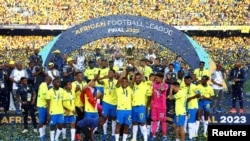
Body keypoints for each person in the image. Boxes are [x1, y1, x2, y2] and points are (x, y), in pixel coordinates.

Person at [97, 69, 117, 141]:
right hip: (106, 102)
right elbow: (99, 81)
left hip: (114, 103)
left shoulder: (117, 82)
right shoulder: (105, 81)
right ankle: (104, 134)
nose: (109, 73)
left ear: (114, 74)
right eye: (109, 72)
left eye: (111, 72)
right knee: (104, 118)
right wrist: (98, 75)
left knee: (114, 119)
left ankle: (113, 135)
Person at [130, 64, 150, 141]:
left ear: (141, 79)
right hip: (134, 106)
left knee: (142, 123)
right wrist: (134, 74)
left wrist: (136, 66)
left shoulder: (144, 84)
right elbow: (132, 82)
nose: (137, 79)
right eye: (136, 78)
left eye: (139, 78)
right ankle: (134, 138)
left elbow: (142, 74)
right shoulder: (134, 85)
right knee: (134, 122)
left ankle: (145, 139)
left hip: (141, 107)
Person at [114, 71, 133, 141]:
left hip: (128, 110)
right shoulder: (118, 89)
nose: (124, 83)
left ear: (128, 82)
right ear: (121, 82)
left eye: (126, 81)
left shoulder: (130, 89)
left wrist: (129, 74)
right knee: (118, 125)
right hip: (120, 110)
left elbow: (132, 81)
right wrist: (124, 73)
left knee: (126, 126)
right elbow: (118, 82)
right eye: (123, 81)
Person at [150, 72, 168, 141]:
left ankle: (164, 135)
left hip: (162, 107)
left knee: (163, 121)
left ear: (161, 78)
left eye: (157, 78)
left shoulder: (166, 85)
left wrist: (163, 81)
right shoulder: (154, 84)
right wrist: (151, 104)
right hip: (155, 106)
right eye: (155, 78)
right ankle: (154, 135)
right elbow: (152, 95)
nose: (155, 79)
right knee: (154, 120)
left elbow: (162, 89)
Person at [72, 72, 87, 140]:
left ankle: (78, 133)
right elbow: (71, 95)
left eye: (81, 75)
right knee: (77, 120)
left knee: (81, 120)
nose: (81, 77)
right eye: (79, 76)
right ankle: (76, 134)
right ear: (76, 77)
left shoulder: (85, 83)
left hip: (84, 105)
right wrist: (75, 91)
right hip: (76, 105)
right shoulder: (73, 84)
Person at [184, 75, 199, 140]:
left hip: (193, 107)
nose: (185, 82)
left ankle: (191, 137)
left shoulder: (194, 86)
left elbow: (199, 94)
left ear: (189, 80)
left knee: (190, 122)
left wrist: (190, 98)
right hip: (187, 107)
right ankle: (192, 136)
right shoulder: (185, 87)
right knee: (191, 122)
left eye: (186, 80)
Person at [37, 76, 52, 141]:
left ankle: (43, 133)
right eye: (50, 80)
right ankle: (41, 135)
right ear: (48, 80)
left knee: (45, 121)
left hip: (44, 105)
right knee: (42, 121)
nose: (51, 82)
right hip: (42, 105)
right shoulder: (44, 85)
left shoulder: (43, 85)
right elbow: (46, 97)